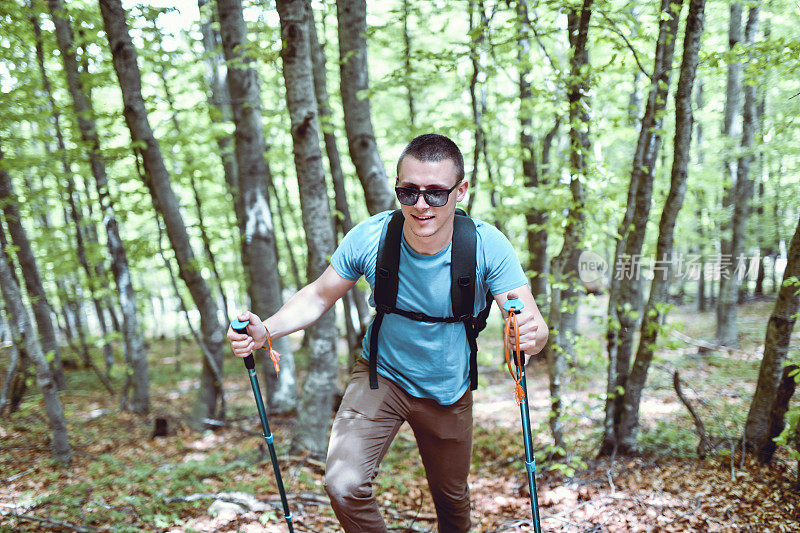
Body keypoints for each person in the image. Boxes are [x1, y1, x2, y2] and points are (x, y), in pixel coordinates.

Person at [228, 133, 548, 532]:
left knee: (451, 499)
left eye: (436, 193)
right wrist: (266, 330)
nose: (420, 204)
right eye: (408, 191)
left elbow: (531, 323)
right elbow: (319, 295)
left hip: (448, 388)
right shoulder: (373, 237)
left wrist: (529, 338)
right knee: (343, 485)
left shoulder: (487, 246)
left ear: (460, 191)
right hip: (382, 377)